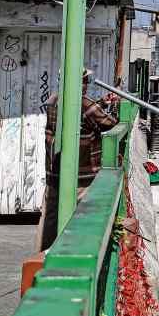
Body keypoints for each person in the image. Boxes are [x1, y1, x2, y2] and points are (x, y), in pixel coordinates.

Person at [39, 70, 119, 250]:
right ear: (79, 82)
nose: (86, 85)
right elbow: (110, 123)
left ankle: (42, 255)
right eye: (84, 81)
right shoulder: (84, 103)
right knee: (81, 219)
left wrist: (101, 103)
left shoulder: (53, 100)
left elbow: (82, 118)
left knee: (50, 218)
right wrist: (111, 106)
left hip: (54, 173)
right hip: (81, 175)